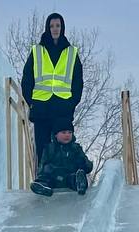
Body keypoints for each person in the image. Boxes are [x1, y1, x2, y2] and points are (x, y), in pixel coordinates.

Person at [21, 12, 84, 173]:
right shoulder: (37, 51)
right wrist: (31, 102)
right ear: (47, 28)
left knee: (63, 143)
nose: (55, 29)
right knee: (42, 145)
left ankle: (66, 176)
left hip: (63, 107)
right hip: (41, 107)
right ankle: (43, 176)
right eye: (51, 26)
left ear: (62, 28)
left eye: (58, 26)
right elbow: (27, 79)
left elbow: (78, 81)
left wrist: (72, 103)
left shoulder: (71, 52)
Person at [30, 125, 94, 197]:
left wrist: (83, 162)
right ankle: (42, 187)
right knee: (45, 178)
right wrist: (47, 169)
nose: (67, 135)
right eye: (63, 132)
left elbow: (88, 167)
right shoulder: (49, 148)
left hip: (69, 176)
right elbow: (42, 165)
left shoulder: (75, 148)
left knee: (74, 178)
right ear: (56, 135)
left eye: (70, 132)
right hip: (54, 176)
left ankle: (80, 184)